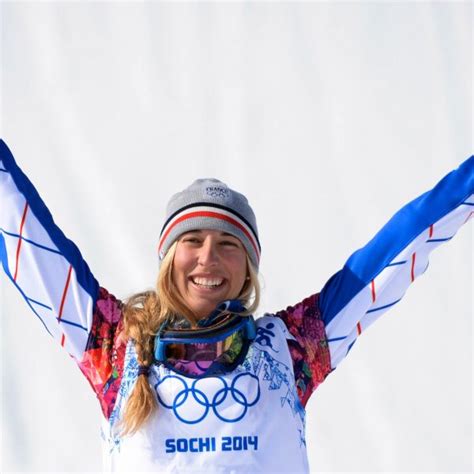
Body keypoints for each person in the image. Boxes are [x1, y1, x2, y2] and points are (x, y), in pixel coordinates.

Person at [0, 138, 472, 473]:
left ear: (249, 267)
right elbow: (23, 230)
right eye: (193, 240)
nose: (208, 257)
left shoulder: (292, 348)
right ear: (168, 257)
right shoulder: (113, 346)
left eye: (229, 244)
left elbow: (396, 250)